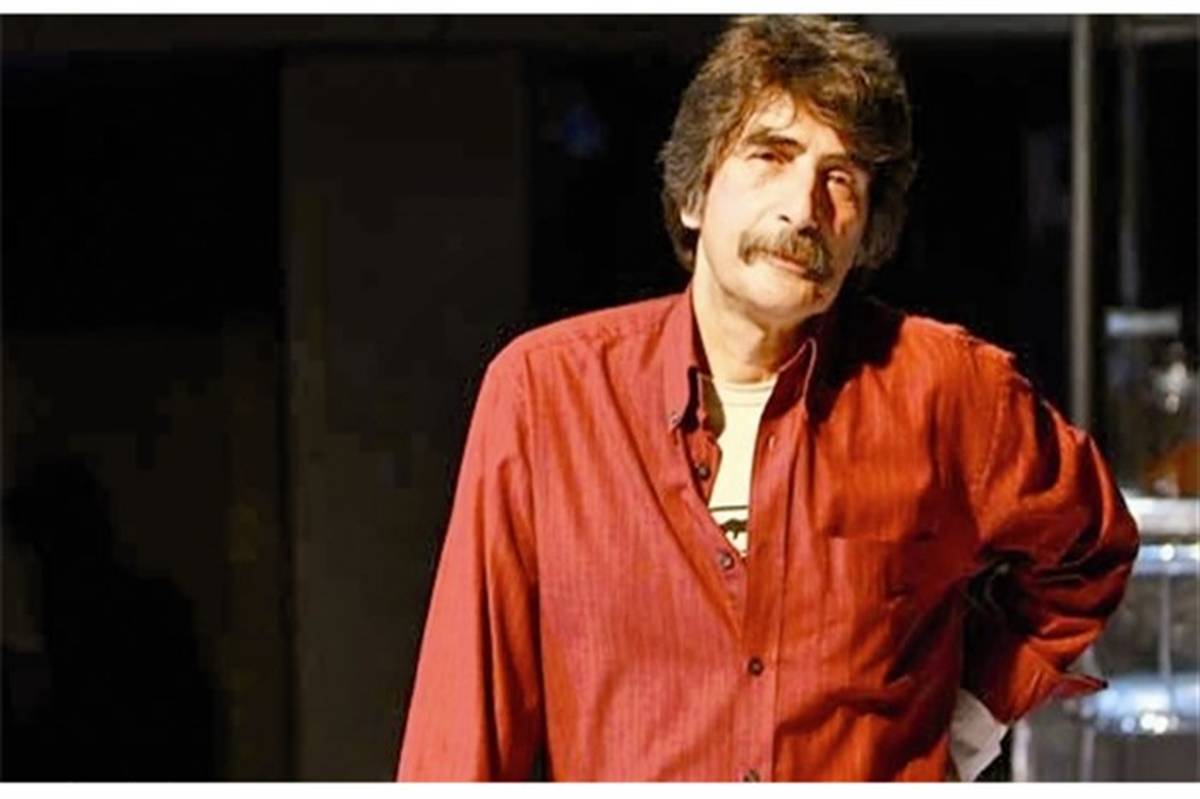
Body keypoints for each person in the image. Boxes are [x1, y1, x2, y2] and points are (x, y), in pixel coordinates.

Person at [396, 15, 1138, 781]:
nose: (803, 210)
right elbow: (464, 729)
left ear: (865, 230)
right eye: (770, 156)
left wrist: (969, 720)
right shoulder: (545, 396)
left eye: (840, 178)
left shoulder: (948, 390)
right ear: (694, 193)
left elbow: (1090, 550)